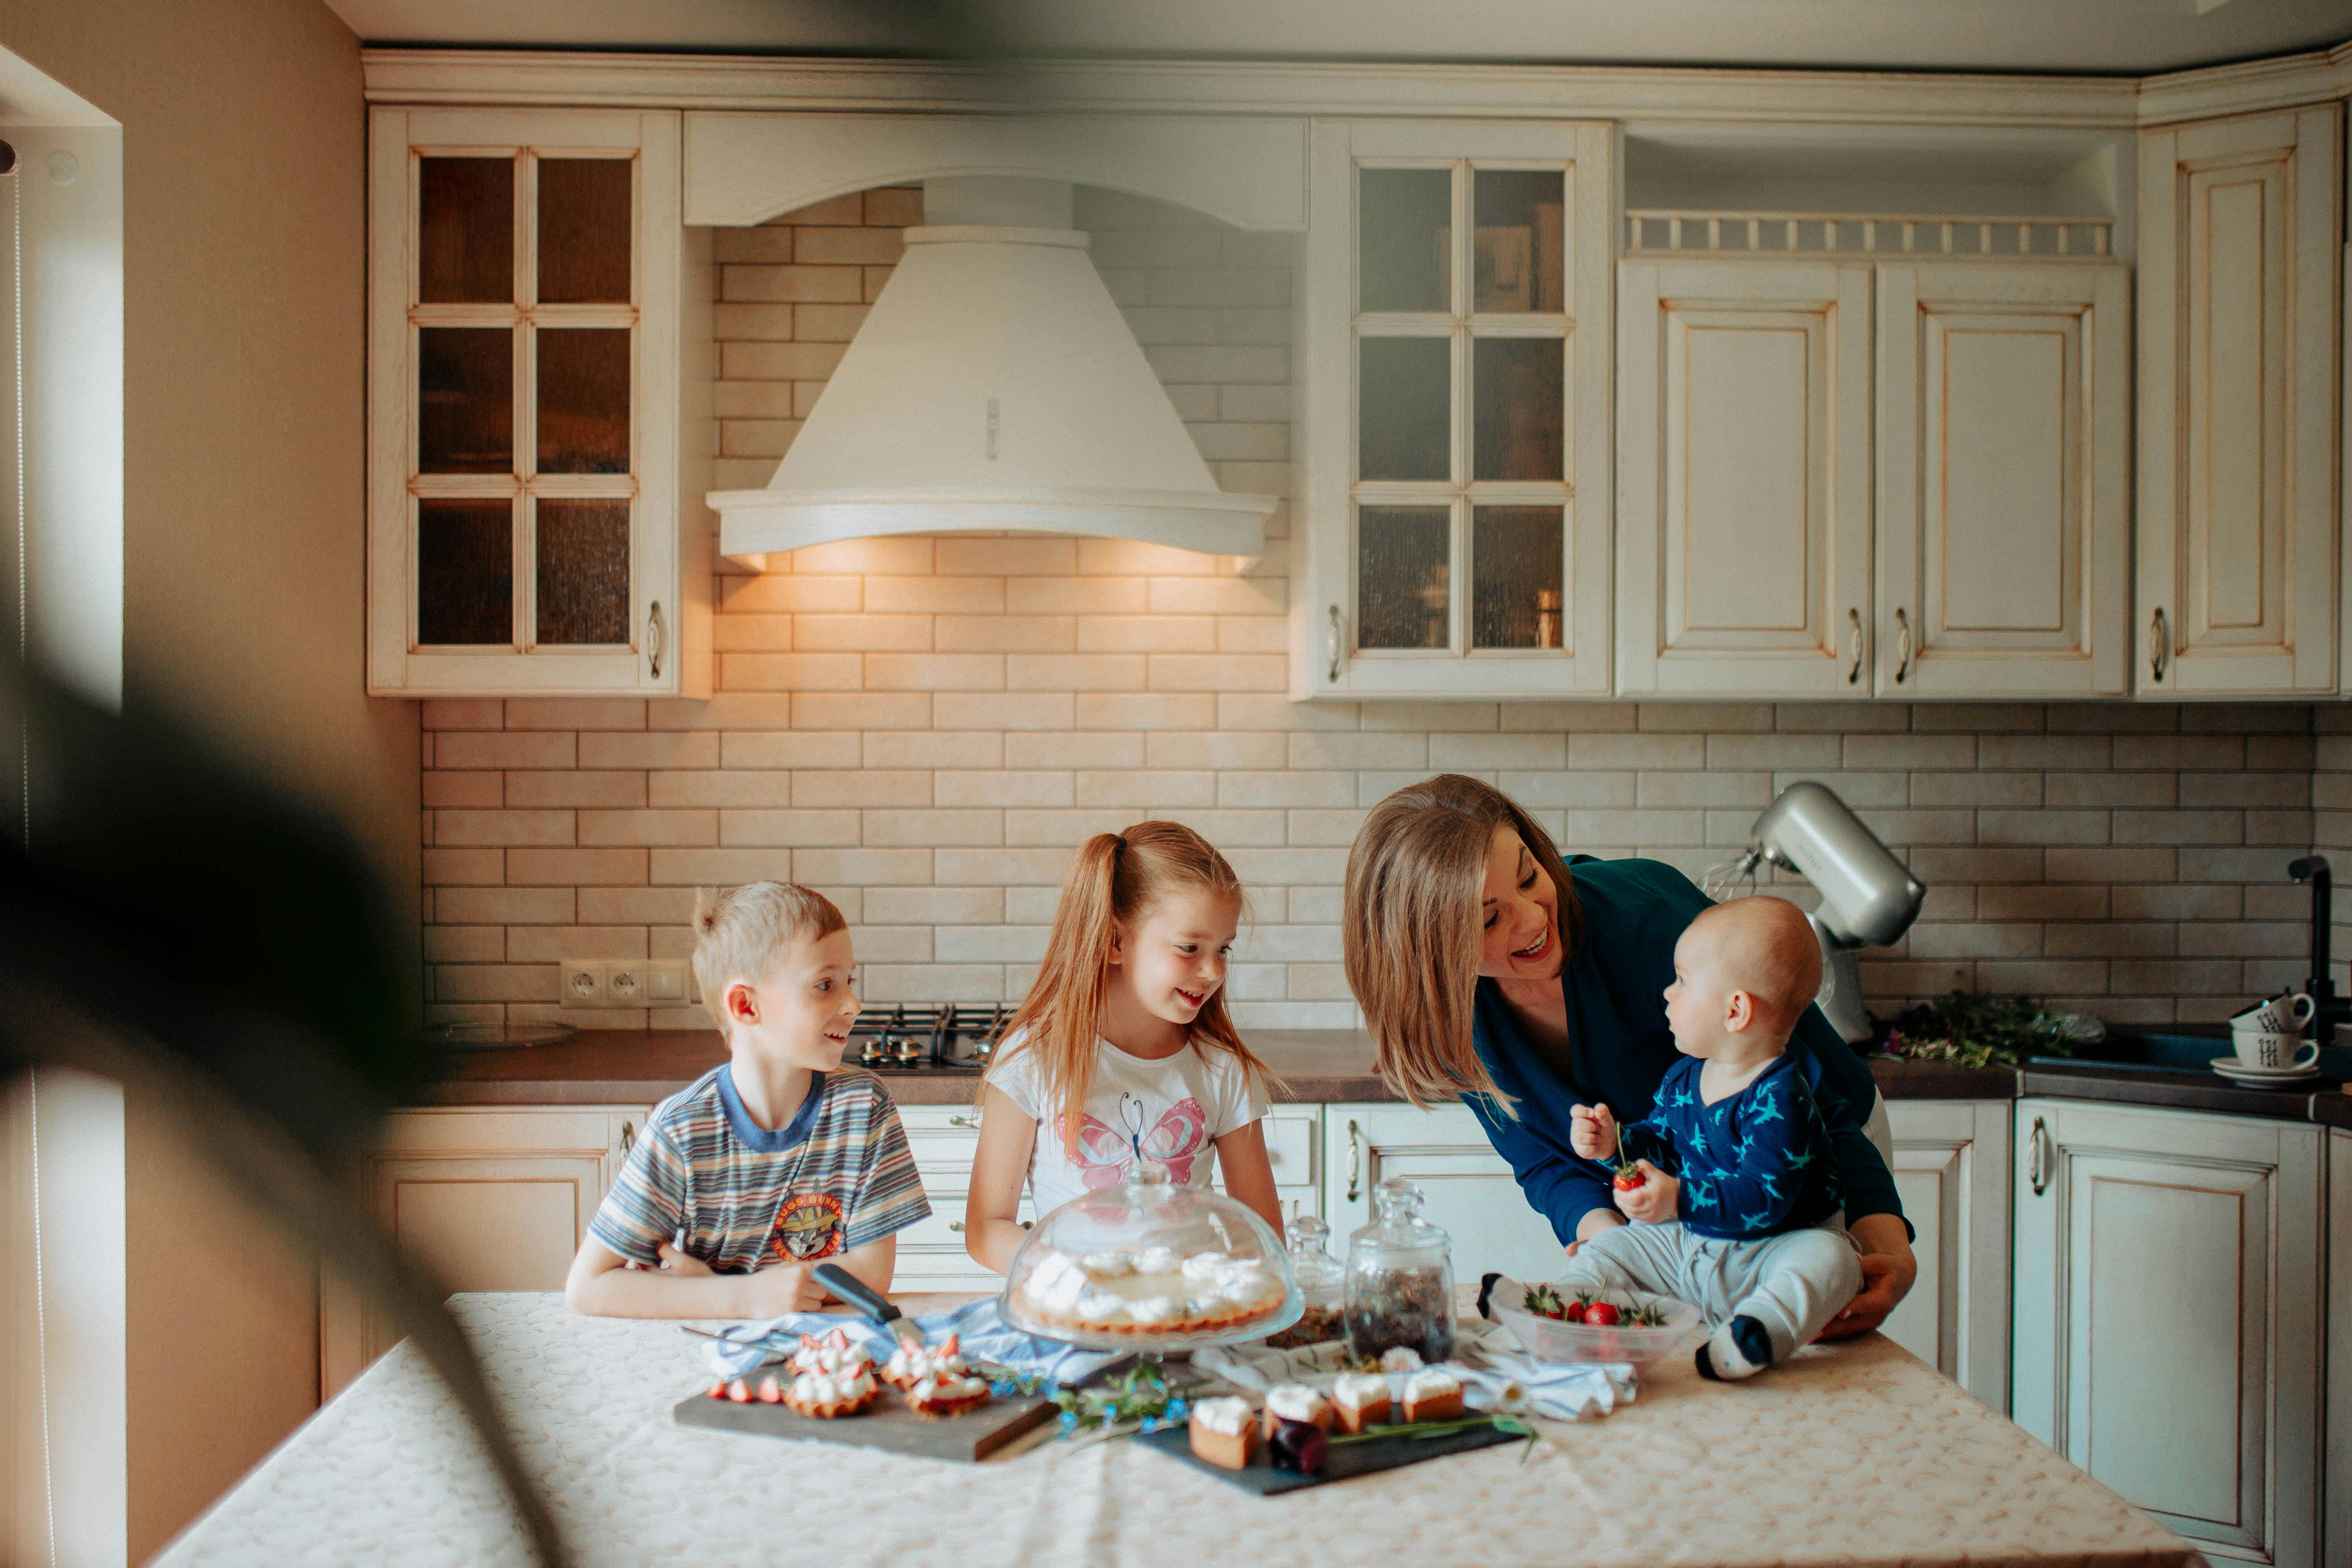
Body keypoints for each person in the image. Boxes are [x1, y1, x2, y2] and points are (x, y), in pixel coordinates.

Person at [1341, 774, 1916, 1338]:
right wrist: (1611, 1246)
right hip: (1678, 1203)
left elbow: (1810, 1099)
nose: (1536, 918)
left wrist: (1887, 1244)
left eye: (1528, 875)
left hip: (1814, 1156)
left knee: (1802, 1347)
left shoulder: (1649, 922)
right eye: (1491, 917)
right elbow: (1543, 1161)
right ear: (1428, 951)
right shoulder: (1447, 1018)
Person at [565, 882, 930, 1318]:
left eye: (849, 981)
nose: (853, 1003)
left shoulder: (864, 1106)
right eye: (825, 985)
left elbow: (871, 1274)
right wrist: (744, 1299)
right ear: (745, 1006)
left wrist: (721, 1291)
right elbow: (588, 1287)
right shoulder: (683, 1128)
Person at [1563, 894, 1863, 1379]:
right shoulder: (1684, 1079)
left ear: (1735, 1010)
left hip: (1770, 1251)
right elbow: (1660, 1144)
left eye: (1682, 981)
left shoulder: (1781, 1097)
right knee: (1610, 1247)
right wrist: (1613, 1143)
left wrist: (1677, 1199)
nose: (1667, 993)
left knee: (1835, 1260)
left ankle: (1756, 1332)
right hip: (1692, 1245)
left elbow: (1765, 1197)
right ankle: (1560, 1309)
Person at [965, 822, 1284, 1269]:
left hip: (1188, 1323)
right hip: (1077, 1321)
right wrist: (1079, 1270)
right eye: (1189, 947)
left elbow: (1264, 1236)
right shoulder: (1033, 1060)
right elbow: (985, 1232)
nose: (1213, 971)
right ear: (1115, 941)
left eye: (1223, 949)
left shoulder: (1221, 1070)